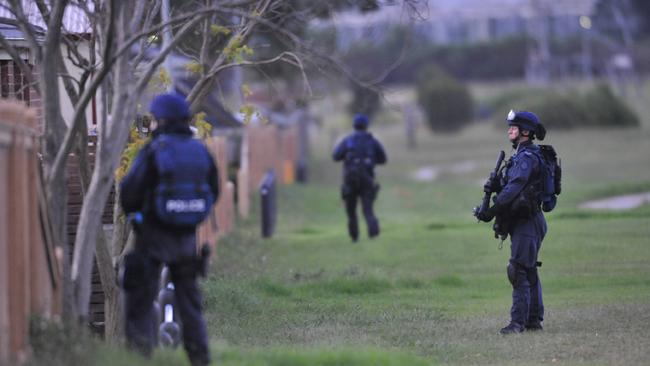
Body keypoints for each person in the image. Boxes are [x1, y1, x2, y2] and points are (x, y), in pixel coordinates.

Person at [120, 93, 219, 365]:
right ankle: (200, 359)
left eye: (152, 119)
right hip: (187, 239)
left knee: (141, 302)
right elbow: (215, 189)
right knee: (190, 305)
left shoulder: (154, 150)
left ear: (161, 120)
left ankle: (140, 358)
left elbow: (128, 191)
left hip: (151, 237)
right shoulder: (200, 150)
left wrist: (138, 217)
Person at [476, 110, 547, 334]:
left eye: (514, 127)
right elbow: (510, 186)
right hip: (525, 221)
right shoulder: (519, 155)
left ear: (526, 132)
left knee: (517, 270)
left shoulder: (527, 158)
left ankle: (518, 323)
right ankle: (533, 320)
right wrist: (495, 186)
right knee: (528, 270)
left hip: (528, 222)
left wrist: (491, 211)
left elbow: (515, 189)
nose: (510, 130)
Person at [332, 113, 387, 242]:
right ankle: (373, 233)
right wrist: (372, 161)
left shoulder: (347, 141)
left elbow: (335, 157)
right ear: (366, 126)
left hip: (350, 179)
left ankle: (354, 236)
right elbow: (383, 159)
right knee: (368, 209)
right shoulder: (372, 141)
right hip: (367, 179)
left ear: (354, 125)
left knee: (351, 211)